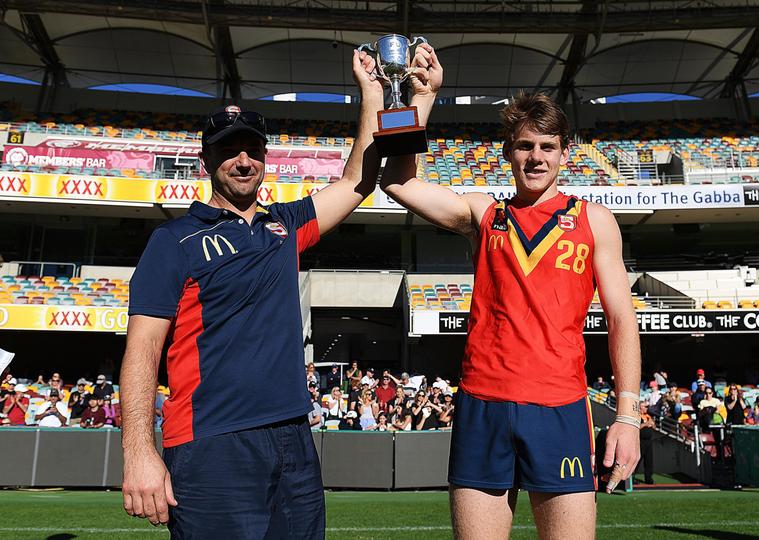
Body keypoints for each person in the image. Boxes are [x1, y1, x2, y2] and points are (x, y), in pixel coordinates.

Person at [379, 44, 641, 537]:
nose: (535, 157)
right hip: (484, 404)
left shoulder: (595, 222)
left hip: (561, 407)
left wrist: (628, 416)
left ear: (565, 152)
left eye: (546, 146)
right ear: (508, 153)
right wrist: (424, 97)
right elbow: (398, 181)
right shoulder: (485, 214)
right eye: (524, 146)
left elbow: (622, 320)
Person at [119, 49, 385, 535]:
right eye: (228, 150)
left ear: (265, 157)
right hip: (211, 445)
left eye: (252, 150)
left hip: (293, 438)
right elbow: (141, 351)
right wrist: (139, 452)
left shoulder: (283, 225)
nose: (243, 161)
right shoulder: (172, 242)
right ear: (206, 161)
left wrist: (371, 93)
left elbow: (357, 181)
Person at [637, 401, 656, 484]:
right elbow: (636, 427)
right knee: (637, 460)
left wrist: (652, 424)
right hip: (640, 441)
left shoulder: (648, 416)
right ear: (640, 407)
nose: (646, 408)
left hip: (649, 441)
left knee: (649, 461)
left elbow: (654, 427)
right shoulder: (637, 416)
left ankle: (648, 478)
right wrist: (645, 424)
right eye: (645, 406)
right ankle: (632, 478)